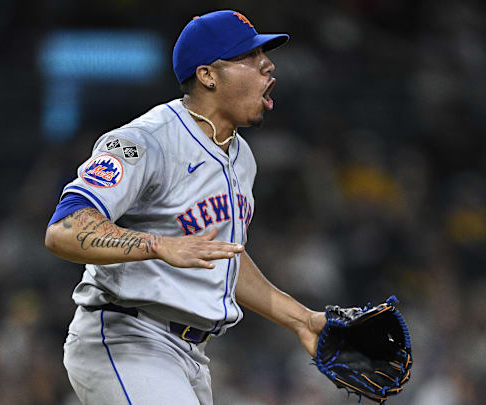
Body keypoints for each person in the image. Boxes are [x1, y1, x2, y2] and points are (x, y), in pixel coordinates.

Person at [44, 10, 326, 405]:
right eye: (249, 55)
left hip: (192, 355)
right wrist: (158, 244)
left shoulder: (241, 157)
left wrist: (302, 320)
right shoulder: (146, 141)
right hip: (127, 337)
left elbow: (222, 258)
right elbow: (64, 230)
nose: (268, 65)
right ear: (208, 75)